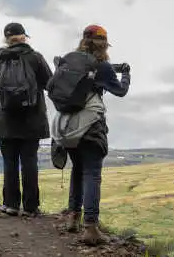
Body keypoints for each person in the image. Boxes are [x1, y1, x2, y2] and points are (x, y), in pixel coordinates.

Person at [49, 24, 130, 245]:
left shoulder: (68, 60)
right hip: (90, 125)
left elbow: (54, 84)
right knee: (92, 173)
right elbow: (120, 91)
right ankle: (91, 228)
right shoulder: (102, 66)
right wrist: (126, 75)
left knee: (78, 169)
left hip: (66, 125)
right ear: (103, 43)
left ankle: (73, 218)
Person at [0, 22, 52, 217]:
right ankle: (30, 207)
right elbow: (49, 83)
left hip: (6, 118)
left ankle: (11, 204)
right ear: (24, 37)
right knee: (29, 161)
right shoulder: (35, 58)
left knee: (10, 161)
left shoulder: (0, 60)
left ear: (6, 39)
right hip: (32, 117)